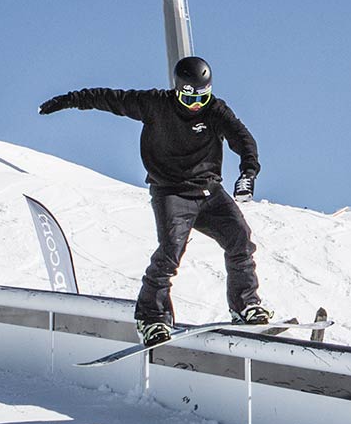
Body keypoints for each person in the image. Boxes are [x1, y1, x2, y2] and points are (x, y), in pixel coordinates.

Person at [39, 55, 269, 345]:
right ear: (177, 90)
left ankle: (244, 304)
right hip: (172, 192)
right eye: (189, 97)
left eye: (203, 95)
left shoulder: (215, 110)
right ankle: (151, 316)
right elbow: (109, 99)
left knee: (240, 239)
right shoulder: (156, 105)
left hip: (210, 192)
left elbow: (243, 139)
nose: (197, 103)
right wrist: (68, 99)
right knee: (171, 251)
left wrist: (248, 171)